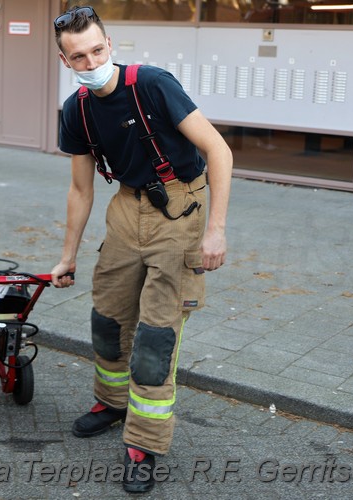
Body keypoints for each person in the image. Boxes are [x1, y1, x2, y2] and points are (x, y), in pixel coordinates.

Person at [49, 6, 232, 493]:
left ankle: (144, 442)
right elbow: (81, 190)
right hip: (127, 209)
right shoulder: (76, 111)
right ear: (66, 61)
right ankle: (112, 404)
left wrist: (216, 229)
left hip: (181, 208)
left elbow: (219, 151)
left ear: (110, 44)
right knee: (107, 321)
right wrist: (67, 255)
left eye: (97, 50)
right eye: (79, 57)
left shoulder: (152, 84)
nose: (91, 62)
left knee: (155, 339)